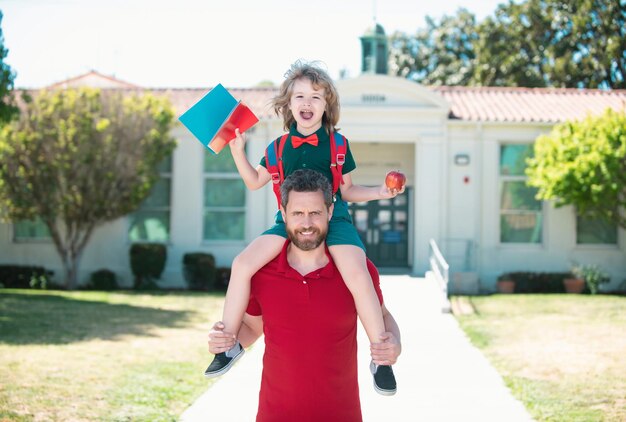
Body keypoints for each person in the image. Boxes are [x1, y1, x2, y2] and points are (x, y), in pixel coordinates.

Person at [204, 60, 404, 394]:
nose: (307, 103)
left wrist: (380, 192)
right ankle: (229, 343)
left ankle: (380, 357)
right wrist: (238, 151)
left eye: (316, 96)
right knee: (242, 264)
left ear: (327, 106)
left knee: (358, 273)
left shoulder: (339, 145)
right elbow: (254, 181)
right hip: (287, 223)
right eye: (299, 96)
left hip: (335, 219)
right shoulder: (278, 147)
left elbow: (349, 190)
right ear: (288, 104)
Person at [209, 169, 402, 421]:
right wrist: (224, 341)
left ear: (330, 212)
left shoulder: (356, 271)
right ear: (284, 213)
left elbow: (383, 315)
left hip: (341, 414)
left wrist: (394, 345)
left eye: (315, 213)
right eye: (298, 213)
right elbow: (253, 327)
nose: (307, 223)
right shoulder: (262, 272)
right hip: (275, 413)